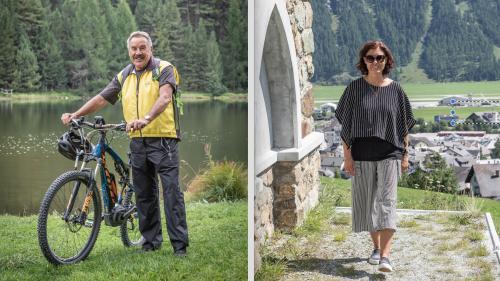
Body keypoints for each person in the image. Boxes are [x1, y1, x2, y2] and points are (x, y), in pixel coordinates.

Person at [61, 31, 189, 257]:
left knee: (171, 193)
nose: (138, 52)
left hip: (164, 140)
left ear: (150, 49)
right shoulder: (125, 75)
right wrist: (76, 114)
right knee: (144, 194)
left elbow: (165, 97)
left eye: (142, 48)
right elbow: (102, 98)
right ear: (129, 51)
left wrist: (146, 119)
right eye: (134, 49)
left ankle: (180, 246)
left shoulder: (164, 69)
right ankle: (150, 243)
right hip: (137, 142)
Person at [335, 40, 415, 272]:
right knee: (368, 205)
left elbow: (404, 127)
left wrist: (405, 155)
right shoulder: (354, 89)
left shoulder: (397, 90)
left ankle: (386, 257)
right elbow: (346, 127)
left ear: (387, 61)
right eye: (370, 58)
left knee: (387, 203)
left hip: (390, 153)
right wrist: (347, 157)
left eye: (380, 58)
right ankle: (377, 248)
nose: (375, 62)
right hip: (361, 155)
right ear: (364, 61)